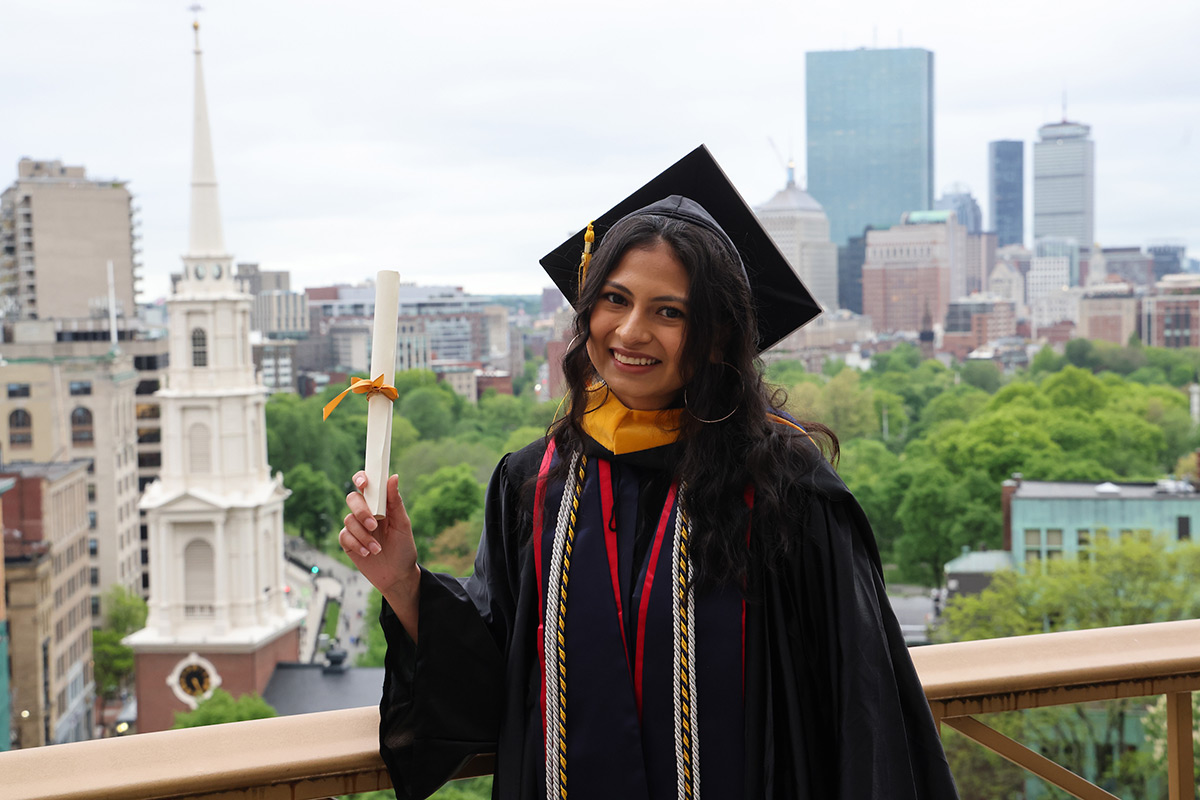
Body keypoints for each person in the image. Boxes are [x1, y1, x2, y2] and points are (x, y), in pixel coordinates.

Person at [340, 146, 958, 800]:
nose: (631, 332)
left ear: (717, 335)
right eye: (614, 299)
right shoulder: (536, 483)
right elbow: (495, 682)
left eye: (670, 311)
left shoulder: (786, 489)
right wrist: (405, 583)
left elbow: (860, 709)